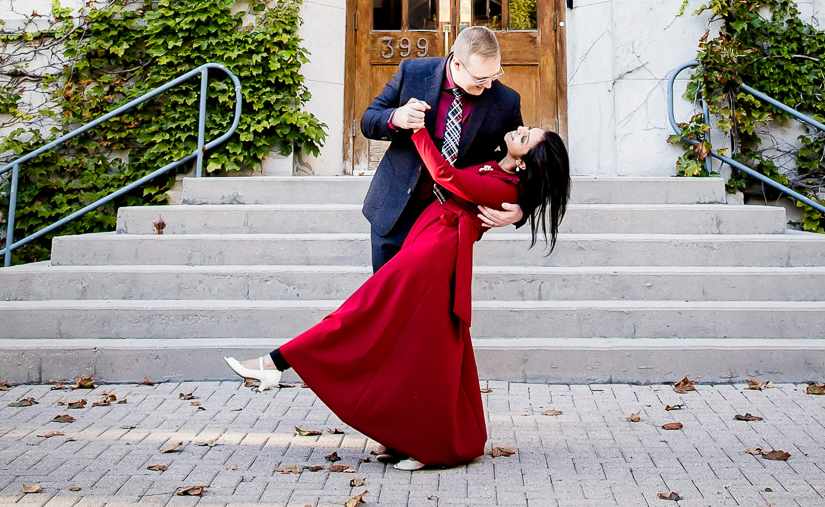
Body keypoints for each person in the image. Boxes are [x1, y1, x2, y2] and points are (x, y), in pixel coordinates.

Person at [226, 111, 571, 469]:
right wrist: (522, 209)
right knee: (418, 346)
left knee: (366, 311)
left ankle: (276, 362)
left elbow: (445, 176)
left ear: (525, 159)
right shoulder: (496, 169)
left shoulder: (506, 188)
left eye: (527, 136)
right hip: (429, 238)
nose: (520, 128)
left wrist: (419, 130)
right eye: (527, 129)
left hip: (437, 252)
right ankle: (407, 439)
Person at [358, 26, 526, 270]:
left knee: (433, 305)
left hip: (449, 222)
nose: (489, 85)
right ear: (457, 64)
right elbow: (368, 120)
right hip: (395, 211)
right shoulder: (412, 72)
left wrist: (522, 209)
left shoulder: (506, 100)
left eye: (495, 75)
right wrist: (396, 117)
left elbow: (525, 163)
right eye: (480, 79)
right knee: (387, 303)